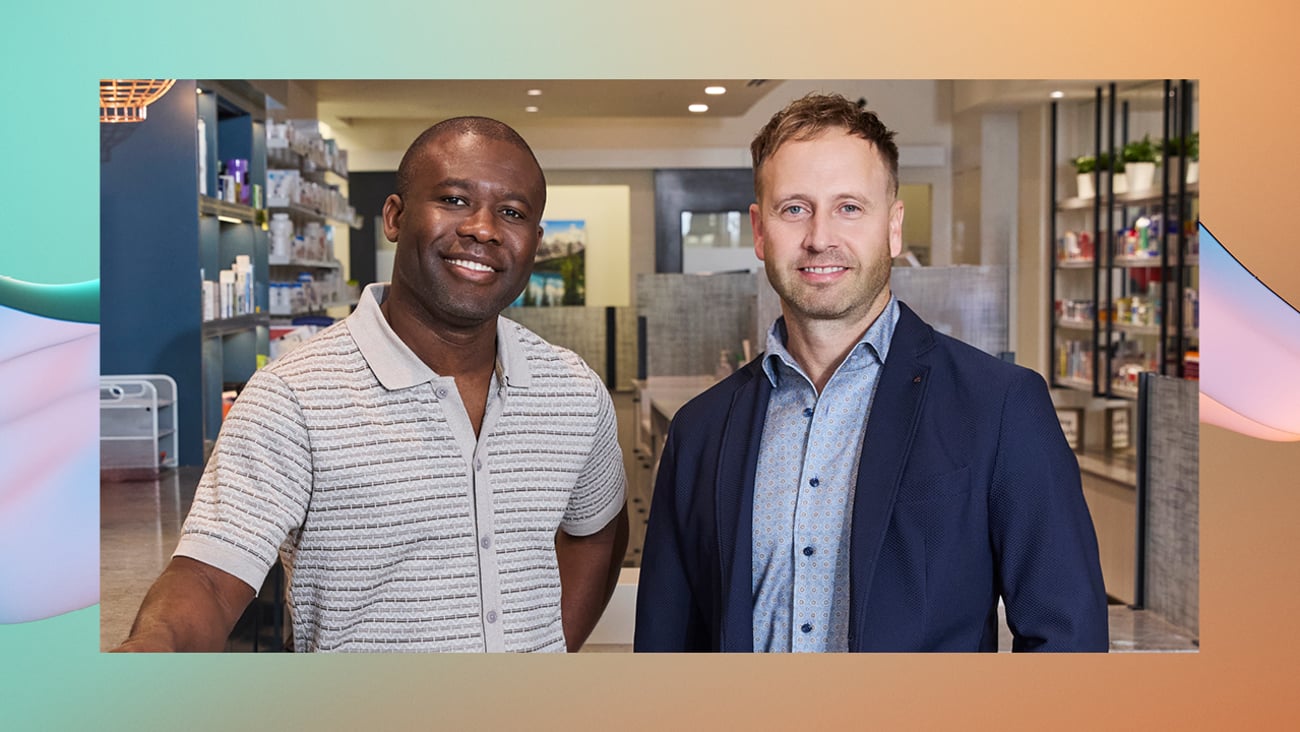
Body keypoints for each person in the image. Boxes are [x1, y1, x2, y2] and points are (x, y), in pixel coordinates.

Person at [115, 117, 628, 653]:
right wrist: (154, 650)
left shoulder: (571, 389)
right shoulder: (292, 396)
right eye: (454, 200)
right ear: (395, 216)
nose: (483, 228)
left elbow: (598, 528)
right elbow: (208, 582)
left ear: (534, 241)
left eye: (512, 212)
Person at [634, 93, 1107, 652]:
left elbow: (1068, 640)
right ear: (760, 232)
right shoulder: (700, 432)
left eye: (849, 207)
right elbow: (665, 652)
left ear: (893, 226)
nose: (820, 237)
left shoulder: (1000, 406)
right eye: (795, 209)